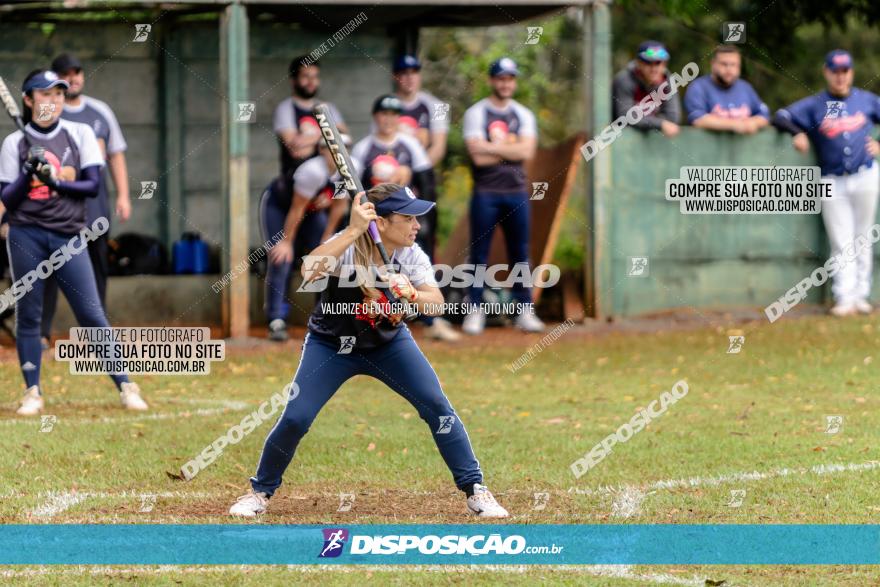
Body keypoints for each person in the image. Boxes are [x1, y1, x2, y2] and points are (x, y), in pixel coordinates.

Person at [228, 183, 509, 518]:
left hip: (388, 345)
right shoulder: (346, 245)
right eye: (409, 217)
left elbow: (436, 302)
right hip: (330, 344)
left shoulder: (410, 255)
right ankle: (260, 491)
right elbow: (309, 270)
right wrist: (353, 229)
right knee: (296, 417)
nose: (417, 225)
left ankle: (475, 489)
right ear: (382, 223)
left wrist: (412, 295)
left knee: (437, 406)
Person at [0, 70, 147, 415]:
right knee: (30, 315)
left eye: (59, 95)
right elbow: (8, 198)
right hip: (26, 235)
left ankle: (125, 385)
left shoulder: (79, 133)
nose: (53, 101)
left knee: (92, 314)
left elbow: (91, 185)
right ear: (28, 100)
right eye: (45, 94)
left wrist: (55, 182)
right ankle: (32, 391)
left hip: (68, 234)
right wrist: (28, 172)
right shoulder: (14, 144)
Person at [774, 50, 880, 317]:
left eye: (845, 71)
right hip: (832, 178)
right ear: (826, 72)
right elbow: (781, 116)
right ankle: (844, 297)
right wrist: (797, 132)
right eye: (835, 71)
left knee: (863, 237)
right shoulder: (815, 104)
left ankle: (862, 296)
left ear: (851, 73)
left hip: (865, 173)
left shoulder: (866, 100)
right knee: (841, 241)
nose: (840, 76)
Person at [39, 53, 132, 348]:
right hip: (55, 206)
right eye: (66, 73)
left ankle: (96, 334)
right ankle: (42, 331)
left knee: (96, 267)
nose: (73, 78)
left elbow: (115, 154)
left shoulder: (100, 111)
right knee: (50, 267)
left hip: (93, 205)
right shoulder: (49, 112)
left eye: (77, 72)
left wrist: (124, 196)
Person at [352, 95, 459, 341]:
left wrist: (427, 219)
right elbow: (354, 191)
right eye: (383, 113)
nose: (388, 119)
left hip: (404, 219)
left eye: (393, 114)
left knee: (417, 266)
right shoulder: (363, 148)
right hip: (376, 221)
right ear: (375, 117)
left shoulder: (409, 145)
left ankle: (431, 321)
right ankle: (362, 317)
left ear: (399, 118)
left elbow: (426, 181)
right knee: (366, 272)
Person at [461, 57, 545, 335]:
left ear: (514, 82)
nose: (505, 83)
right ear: (491, 80)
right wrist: (509, 149)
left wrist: (491, 147)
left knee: (520, 253)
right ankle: (474, 309)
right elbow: (476, 157)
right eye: (500, 78)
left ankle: (524, 309)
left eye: (510, 78)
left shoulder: (523, 114)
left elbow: (527, 153)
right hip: (486, 191)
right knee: (479, 254)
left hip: (516, 192)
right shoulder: (477, 113)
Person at [391, 55, 459, 342]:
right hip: (392, 191)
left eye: (414, 72)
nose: (409, 77)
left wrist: (416, 174)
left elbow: (438, 148)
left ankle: (431, 315)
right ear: (396, 77)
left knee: (425, 244)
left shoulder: (436, 106)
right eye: (403, 72)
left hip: (423, 187)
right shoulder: (387, 106)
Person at [261, 138, 356, 341]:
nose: (339, 154)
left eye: (344, 149)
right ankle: (276, 319)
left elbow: (339, 207)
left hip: (312, 213)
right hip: (282, 208)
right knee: (282, 257)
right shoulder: (313, 171)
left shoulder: (348, 170)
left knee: (326, 259)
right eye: (332, 149)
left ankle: (322, 317)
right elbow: (297, 209)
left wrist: (326, 238)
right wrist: (286, 242)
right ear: (321, 151)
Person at [273, 56, 347, 184]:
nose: (311, 81)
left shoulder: (327, 107)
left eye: (315, 77)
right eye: (305, 76)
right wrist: (328, 136)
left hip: (330, 179)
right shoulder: (285, 108)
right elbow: (297, 151)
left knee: (343, 188)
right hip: (297, 179)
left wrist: (308, 139)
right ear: (293, 80)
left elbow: (345, 139)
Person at [684, 45, 770, 133]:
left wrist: (753, 122)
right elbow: (698, 120)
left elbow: (764, 116)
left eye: (733, 65)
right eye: (724, 64)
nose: (729, 69)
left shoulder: (746, 88)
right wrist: (735, 125)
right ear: (713, 64)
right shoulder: (698, 87)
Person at [612, 41, 681, 137]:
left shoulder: (668, 82)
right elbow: (626, 117)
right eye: (648, 63)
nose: (653, 69)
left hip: (652, 144)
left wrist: (645, 121)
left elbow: (673, 117)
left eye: (658, 63)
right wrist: (660, 123)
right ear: (638, 63)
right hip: (619, 139)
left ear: (664, 64)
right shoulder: (624, 79)